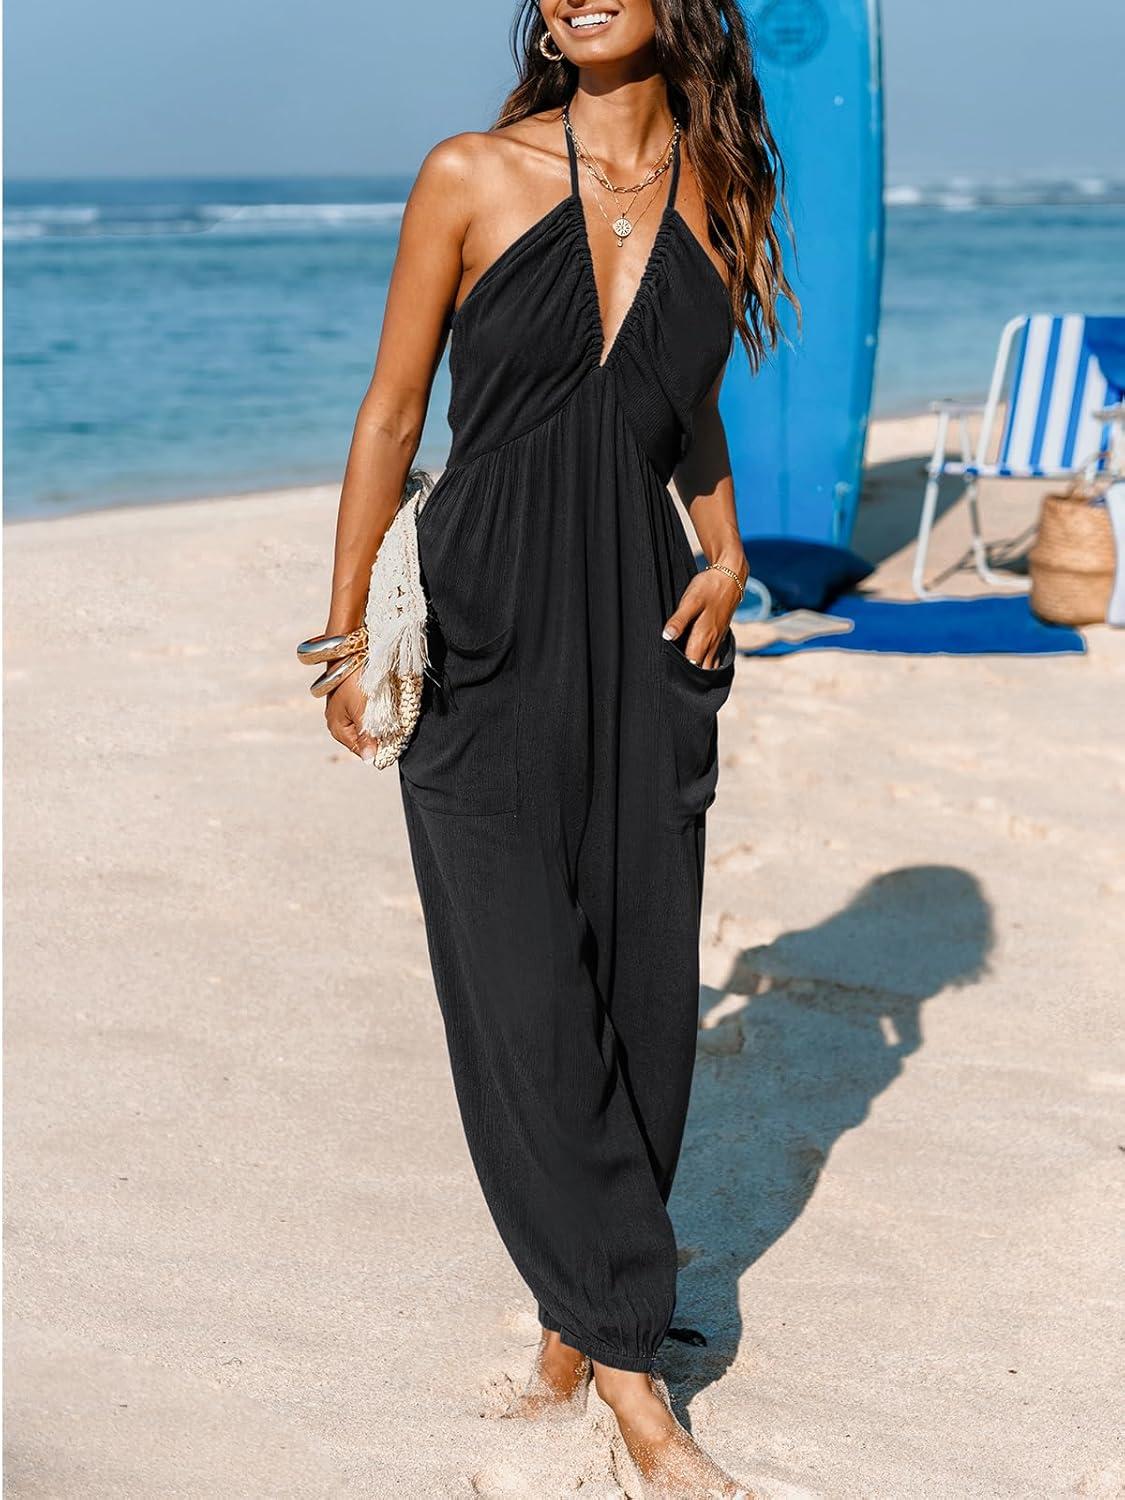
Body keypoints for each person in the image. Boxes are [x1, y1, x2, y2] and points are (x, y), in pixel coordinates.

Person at [314, 2, 793, 1492]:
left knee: (640, 981)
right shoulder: (469, 173)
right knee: (521, 989)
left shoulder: (720, 188)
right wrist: (343, 634)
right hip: (481, 618)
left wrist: (725, 554)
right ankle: (636, 1373)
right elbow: (394, 410)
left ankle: (577, 1318)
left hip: (645, 622)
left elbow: (686, 411)